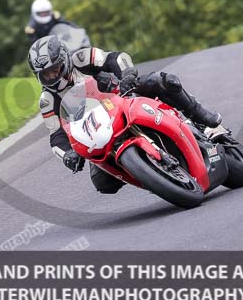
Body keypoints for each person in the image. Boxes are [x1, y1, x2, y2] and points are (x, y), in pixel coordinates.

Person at [28, 33, 225, 194]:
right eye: (46, 74)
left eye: (55, 69)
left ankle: (200, 115)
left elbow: (117, 58)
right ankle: (152, 175)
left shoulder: (82, 58)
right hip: (97, 133)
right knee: (102, 182)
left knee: (162, 81)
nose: (52, 76)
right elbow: (56, 137)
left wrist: (128, 75)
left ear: (64, 59)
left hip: (123, 97)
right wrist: (67, 155)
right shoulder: (47, 101)